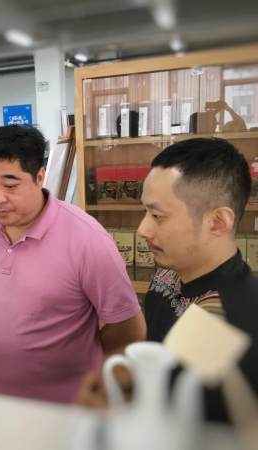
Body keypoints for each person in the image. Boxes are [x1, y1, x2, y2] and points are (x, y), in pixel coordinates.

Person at [76, 138, 258, 423]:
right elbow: (160, 362)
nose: (142, 229)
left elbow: (193, 422)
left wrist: (120, 421)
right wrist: (121, 383)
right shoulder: (170, 271)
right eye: (145, 212)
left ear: (218, 222)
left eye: (157, 215)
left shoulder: (228, 319)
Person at [0, 125, 146, 404]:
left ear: (40, 177)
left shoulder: (87, 239)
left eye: (10, 185)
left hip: (63, 406)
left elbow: (128, 329)